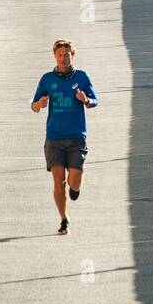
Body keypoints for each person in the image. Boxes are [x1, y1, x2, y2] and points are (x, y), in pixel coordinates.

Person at [31, 39, 98, 235]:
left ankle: (75, 189)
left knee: (73, 181)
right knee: (58, 180)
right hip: (54, 139)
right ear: (55, 56)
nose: (63, 58)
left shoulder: (83, 77)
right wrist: (40, 104)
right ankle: (63, 219)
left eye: (66, 55)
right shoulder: (47, 79)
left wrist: (86, 100)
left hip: (77, 137)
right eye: (60, 55)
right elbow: (34, 105)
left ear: (72, 56)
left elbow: (95, 100)